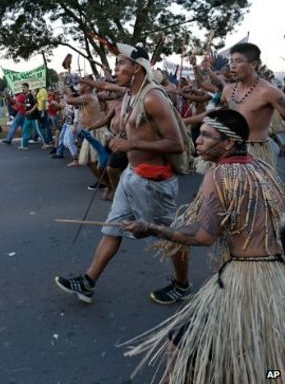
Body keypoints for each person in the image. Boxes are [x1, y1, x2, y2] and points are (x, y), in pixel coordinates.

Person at [122, 109, 284, 384]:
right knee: (267, 356)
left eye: (207, 136)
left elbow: (203, 236)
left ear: (229, 143)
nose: (198, 140)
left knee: (181, 344)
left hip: (245, 281)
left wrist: (152, 228)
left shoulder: (219, 174)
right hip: (276, 277)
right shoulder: (263, 169)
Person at [55, 43, 189, 305]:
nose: (116, 69)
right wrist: (120, 138)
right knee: (112, 228)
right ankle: (88, 281)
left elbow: (176, 144)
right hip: (132, 175)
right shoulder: (129, 95)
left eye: (121, 64)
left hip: (155, 181)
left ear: (137, 68)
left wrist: (132, 144)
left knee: (171, 234)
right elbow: (133, 129)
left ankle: (183, 285)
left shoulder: (153, 97)